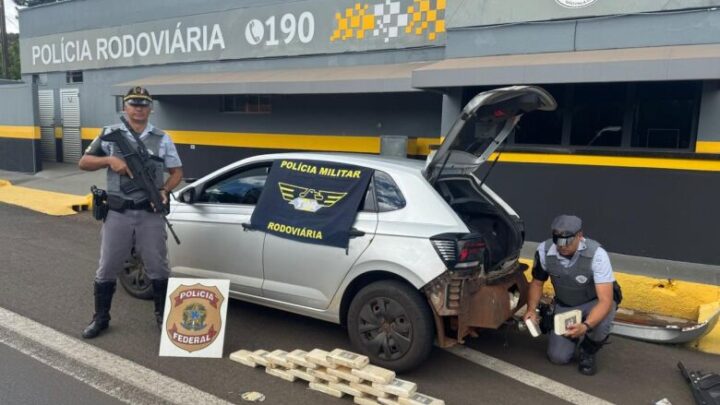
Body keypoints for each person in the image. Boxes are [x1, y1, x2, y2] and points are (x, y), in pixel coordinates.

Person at [78, 86, 183, 339]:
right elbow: (84, 162)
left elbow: (177, 172)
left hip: (149, 213)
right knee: (107, 267)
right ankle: (100, 318)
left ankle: (162, 317)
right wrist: (109, 160)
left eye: (143, 104)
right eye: (133, 104)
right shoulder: (109, 134)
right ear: (124, 107)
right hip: (118, 213)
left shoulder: (162, 138)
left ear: (151, 108)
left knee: (158, 267)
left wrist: (165, 190)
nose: (139, 109)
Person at [523, 214, 619, 375]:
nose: (562, 246)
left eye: (567, 241)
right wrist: (531, 309)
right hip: (566, 303)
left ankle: (588, 350)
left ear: (579, 236)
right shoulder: (544, 250)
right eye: (558, 241)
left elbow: (605, 300)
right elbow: (537, 283)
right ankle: (571, 333)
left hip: (593, 301)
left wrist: (586, 326)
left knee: (604, 317)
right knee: (558, 357)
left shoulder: (597, 254)